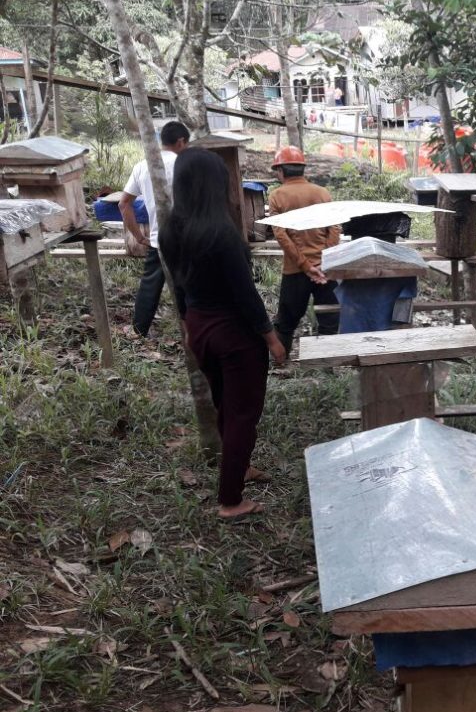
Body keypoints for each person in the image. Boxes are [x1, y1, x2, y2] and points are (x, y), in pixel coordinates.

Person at [159, 148, 286, 520]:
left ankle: (239, 465)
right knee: (243, 412)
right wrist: (272, 338)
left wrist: (187, 326)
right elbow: (245, 294)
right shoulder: (221, 232)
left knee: (224, 404)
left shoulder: (170, 230)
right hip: (234, 333)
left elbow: (178, 285)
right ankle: (231, 500)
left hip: (200, 327)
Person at [119, 121, 190, 337]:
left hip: (159, 239)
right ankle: (193, 332)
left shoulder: (143, 166)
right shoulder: (186, 164)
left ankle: (138, 330)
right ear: (181, 142)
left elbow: (124, 204)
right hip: (189, 237)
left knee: (150, 285)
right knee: (190, 285)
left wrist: (139, 236)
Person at [268, 146, 339, 355]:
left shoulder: (277, 196)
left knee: (286, 321)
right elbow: (335, 228)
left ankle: (282, 361)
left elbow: (281, 235)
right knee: (329, 319)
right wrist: (324, 261)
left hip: (295, 271)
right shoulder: (322, 193)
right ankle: (326, 364)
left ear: (280, 170)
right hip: (325, 271)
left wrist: (305, 265)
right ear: (302, 169)